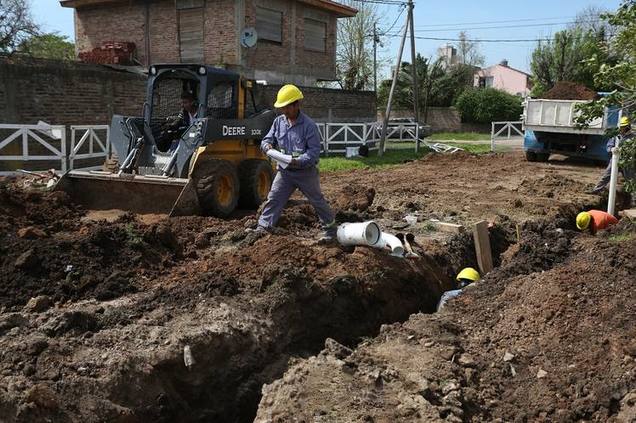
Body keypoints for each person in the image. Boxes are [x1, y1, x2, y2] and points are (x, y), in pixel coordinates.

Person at [254, 84, 336, 242]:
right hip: (285, 172)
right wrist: (267, 146)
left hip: (305, 172)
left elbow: (313, 153)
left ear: (296, 104)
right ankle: (263, 228)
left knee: (317, 200)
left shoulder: (309, 126)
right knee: (274, 198)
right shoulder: (279, 122)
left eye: (287, 107)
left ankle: (330, 229)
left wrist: (298, 161)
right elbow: (266, 140)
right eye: (282, 107)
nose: (284, 111)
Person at [591, 116, 634, 194]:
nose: (621, 129)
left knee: (630, 180)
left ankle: (634, 199)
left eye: (623, 127)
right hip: (615, 160)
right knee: (606, 176)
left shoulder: (633, 137)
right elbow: (609, 146)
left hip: (627, 162)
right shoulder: (617, 136)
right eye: (620, 127)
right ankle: (596, 190)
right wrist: (612, 149)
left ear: (627, 126)